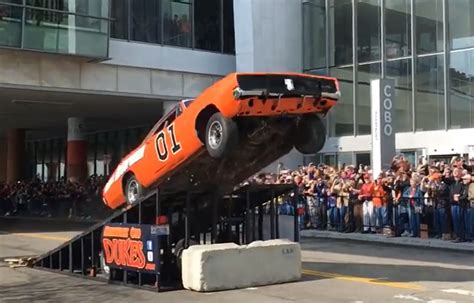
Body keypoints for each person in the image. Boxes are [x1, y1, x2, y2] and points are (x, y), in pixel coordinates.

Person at [449, 168, 466, 242]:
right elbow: (450, 194)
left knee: (460, 220)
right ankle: (457, 235)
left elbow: (465, 194)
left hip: (460, 204)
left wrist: (459, 198)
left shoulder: (462, 183)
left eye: (457, 171)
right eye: (454, 171)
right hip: (453, 204)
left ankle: (461, 237)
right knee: (455, 221)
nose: (455, 173)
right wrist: (453, 197)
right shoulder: (452, 184)